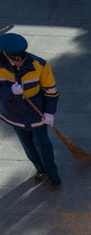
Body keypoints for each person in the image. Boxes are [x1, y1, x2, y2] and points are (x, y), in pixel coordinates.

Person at [0, 32, 61, 187]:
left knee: (43, 143)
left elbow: (51, 91)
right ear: (6, 55)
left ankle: (52, 174)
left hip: (36, 113)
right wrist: (9, 91)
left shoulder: (40, 65)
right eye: (15, 60)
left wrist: (49, 112)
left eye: (21, 59)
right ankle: (40, 169)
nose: (19, 63)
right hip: (13, 113)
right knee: (27, 144)